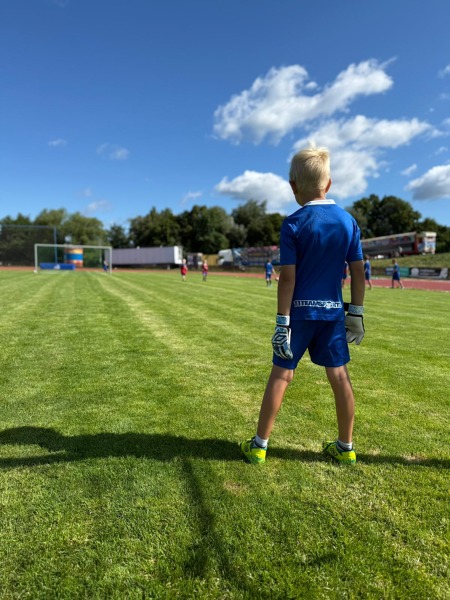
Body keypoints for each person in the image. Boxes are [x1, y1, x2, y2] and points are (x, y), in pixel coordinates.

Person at [240, 147, 365, 466]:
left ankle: (259, 446)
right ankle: (346, 447)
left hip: (298, 316)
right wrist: (356, 313)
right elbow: (358, 271)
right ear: (329, 183)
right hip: (333, 314)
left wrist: (282, 323)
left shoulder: (293, 223)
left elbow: (287, 278)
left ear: (293, 186)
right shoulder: (348, 221)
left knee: (281, 376)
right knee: (340, 377)